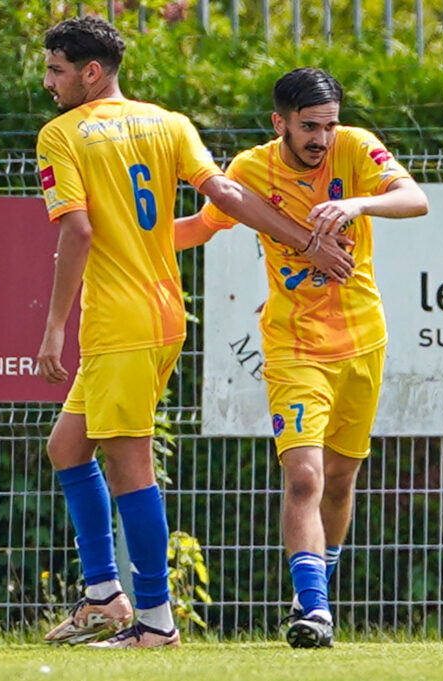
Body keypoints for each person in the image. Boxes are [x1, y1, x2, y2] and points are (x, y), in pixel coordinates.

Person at [34, 19, 354, 649]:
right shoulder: (168, 122)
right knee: (68, 448)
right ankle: (103, 596)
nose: (48, 82)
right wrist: (305, 242)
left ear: (91, 72)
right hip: (162, 313)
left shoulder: (61, 134)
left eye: (56, 69)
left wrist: (52, 327)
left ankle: (155, 620)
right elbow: (227, 195)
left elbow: (78, 231)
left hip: (120, 322)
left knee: (129, 466)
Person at [175, 67, 429, 648]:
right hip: (293, 347)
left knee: (339, 481)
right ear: (280, 123)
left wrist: (357, 205)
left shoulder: (355, 147)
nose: (321, 138)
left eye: (328, 126)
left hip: (363, 341)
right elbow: (202, 226)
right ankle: (314, 610)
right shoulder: (250, 170)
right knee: (304, 478)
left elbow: (415, 200)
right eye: (309, 127)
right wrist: (126, 244)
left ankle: (316, 592)